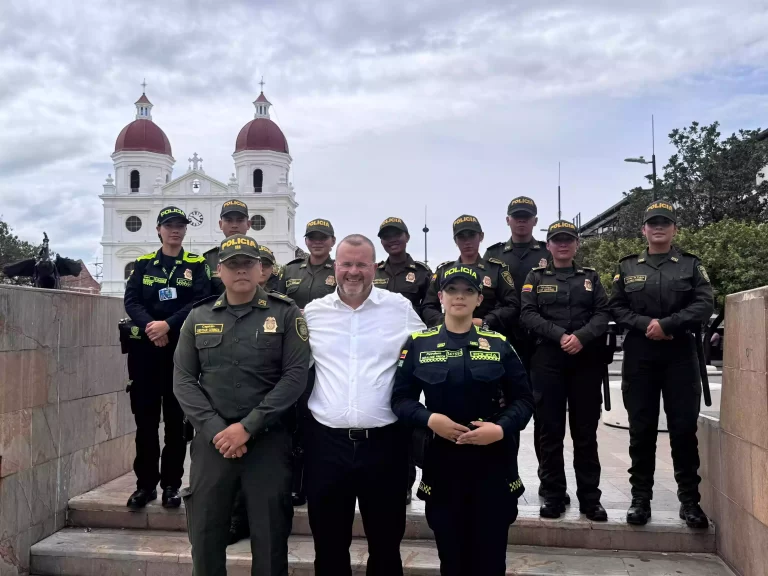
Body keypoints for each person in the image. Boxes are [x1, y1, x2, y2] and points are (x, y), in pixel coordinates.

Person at [173, 234, 310, 576]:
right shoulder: (197, 316)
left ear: (260, 268)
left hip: (267, 441)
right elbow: (184, 380)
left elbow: (295, 377)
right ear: (219, 270)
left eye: (248, 264)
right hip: (213, 442)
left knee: (269, 534)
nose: (241, 271)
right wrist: (218, 430)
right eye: (233, 265)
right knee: (205, 534)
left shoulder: (285, 313)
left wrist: (247, 427)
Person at [392, 265, 533, 576]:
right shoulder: (418, 344)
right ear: (440, 296)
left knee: (492, 560)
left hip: (493, 464)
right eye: (452, 290)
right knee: (451, 559)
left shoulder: (498, 344)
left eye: (467, 291)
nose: (459, 297)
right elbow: (400, 400)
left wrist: (500, 428)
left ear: (479, 298)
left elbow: (524, 400)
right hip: (443, 465)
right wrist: (430, 419)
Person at [303, 234, 425, 576]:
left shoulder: (399, 308)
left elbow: (427, 354)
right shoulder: (314, 313)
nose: (353, 272)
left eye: (361, 264)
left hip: (385, 446)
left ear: (374, 267)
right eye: (346, 264)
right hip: (326, 446)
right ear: (334, 267)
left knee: (386, 547)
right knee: (328, 546)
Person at [610, 201, 713, 529]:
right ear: (643, 230)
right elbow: (615, 307)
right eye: (652, 223)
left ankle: (690, 501)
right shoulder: (626, 267)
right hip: (640, 356)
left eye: (664, 223)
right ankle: (641, 498)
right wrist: (645, 324)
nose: (658, 227)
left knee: (683, 430)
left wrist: (668, 324)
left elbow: (704, 301)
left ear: (674, 229)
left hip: (680, 355)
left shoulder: (690, 265)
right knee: (641, 431)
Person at [520, 220, 609, 520]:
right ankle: (554, 495)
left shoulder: (591, 277)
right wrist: (560, 335)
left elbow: (603, 313)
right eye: (557, 240)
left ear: (576, 244)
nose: (563, 244)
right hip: (548, 359)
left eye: (568, 240)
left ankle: (590, 498)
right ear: (548, 245)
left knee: (585, 432)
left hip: (585, 360)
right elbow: (528, 313)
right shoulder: (535, 276)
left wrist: (581, 337)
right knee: (549, 431)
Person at [123, 206, 211, 509]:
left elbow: (200, 301)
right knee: (145, 423)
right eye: (169, 225)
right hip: (146, 351)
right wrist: (151, 327)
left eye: (180, 226)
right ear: (159, 229)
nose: (175, 230)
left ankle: (171, 485)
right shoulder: (144, 263)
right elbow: (131, 300)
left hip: (180, 350)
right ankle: (144, 486)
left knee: (176, 424)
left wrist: (167, 325)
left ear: (185, 230)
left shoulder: (196, 265)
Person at [484, 196, 552, 491]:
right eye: (516, 216)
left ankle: (548, 485)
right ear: (508, 220)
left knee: (544, 417)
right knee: (505, 412)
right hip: (506, 344)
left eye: (527, 216)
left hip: (542, 345)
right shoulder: (494, 255)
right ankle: (506, 478)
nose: (521, 221)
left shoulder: (549, 252)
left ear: (535, 221)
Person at [277, 218, 337, 507]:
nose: (317, 242)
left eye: (323, 238)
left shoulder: (340, 271)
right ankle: (293, 484)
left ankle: (316, 480)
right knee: (294, 419)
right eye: (312, 237)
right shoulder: (289, 270)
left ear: (332, 241)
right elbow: (274, 301)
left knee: (318, 420)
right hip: (295, 355)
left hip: (328, 356)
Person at [374, 216, 432, 504]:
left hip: (413, 354)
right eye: (386, 236)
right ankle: (389, 475)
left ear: (407, 237)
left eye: (397, 235)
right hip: (382, 355)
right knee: (384, 414)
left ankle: (407, 482)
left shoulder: (422, 274)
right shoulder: (375, 273)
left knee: (408, 416)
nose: (392, 240)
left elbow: (431, 310)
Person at [422, 215, 519, 334]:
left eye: (472, 236)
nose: (467, 242)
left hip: (488, 336)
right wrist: (446, 322)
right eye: (461, 237)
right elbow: (428, 307)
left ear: (481, 236)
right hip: (448, 335)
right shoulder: (443, 271)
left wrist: (486, 321)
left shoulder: (496, 270)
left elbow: (512, 305)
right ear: (455, 241)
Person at [203, 199, 251, 294]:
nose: (234, 225)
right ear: (221, 224)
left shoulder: (260, 256)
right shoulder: (209, 258)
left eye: (240, 220)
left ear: (248, 224)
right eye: (228, 220)